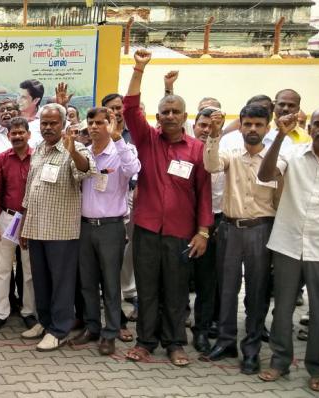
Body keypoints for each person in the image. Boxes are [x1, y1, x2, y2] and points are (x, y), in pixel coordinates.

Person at [122, 49, 213, 367]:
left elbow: (204, 193)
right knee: (147, 289)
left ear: (185, 117)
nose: (170, 116)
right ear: (157, 118)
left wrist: (203, 231)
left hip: (180, 234)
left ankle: (175, 343)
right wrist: (138, 69)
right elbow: (130, 108)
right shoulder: (147, 141)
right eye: (165, 112)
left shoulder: (197, 149)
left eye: (176, 112)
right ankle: (145, 341)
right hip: (146, 229)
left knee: (175, 292)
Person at [257, 107, 319, 392]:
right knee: (283, 308)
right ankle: (279, 362)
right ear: (309, 126)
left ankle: (317, 368)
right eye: (318, 123)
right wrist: (279, 134)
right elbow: (265, 175)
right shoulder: (293, 152)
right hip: (288, 244)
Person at [200, 104, 277, 375]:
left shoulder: (274, 157)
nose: (252, 129)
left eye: (258, 124)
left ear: (268, 127)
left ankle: (252, 349)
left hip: (261, 229)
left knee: (256, 291)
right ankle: (225, 341)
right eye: (248, 124)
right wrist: (214, 134)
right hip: (230, 228)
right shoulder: (230, 152)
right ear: (241, 125)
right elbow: (210, 166)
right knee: (227, 288)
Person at [22, 101, 95, 351]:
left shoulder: (77, 148)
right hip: (36, 227)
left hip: (61, 230)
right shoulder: (39, 148)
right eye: (44, 123)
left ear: (64, 125)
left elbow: (85, 171)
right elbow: (30, 186)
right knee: (41, 281)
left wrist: (72, 150)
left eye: (53, 123)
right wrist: (23, 222)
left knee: (61, 282)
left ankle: (60, 329)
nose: (48, 127)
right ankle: (44, 322)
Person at [75, 107, 140, 356]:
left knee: (111, 284)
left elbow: (133, 170)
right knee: (88, 282)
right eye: (91, 122)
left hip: (111, 227)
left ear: (110, 124)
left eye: (100, 123)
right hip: (85, 226)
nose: (94, 127)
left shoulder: (122, 151)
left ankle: (110, 332)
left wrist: (117, 139)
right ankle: (92, 327)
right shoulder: (84, 152)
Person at [0, 116, 38, 334]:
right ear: (8, 136)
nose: (17, 136)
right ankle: (0, 313)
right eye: (13, 133)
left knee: (29, 270)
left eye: (20, 133)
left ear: (28, 134)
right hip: (7, 219)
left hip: (32, 220)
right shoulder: (1, 159)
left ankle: (28, 312)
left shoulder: (38, 158)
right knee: (0, 268)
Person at [185, 107, 226, 355]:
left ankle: (201, 331)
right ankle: (176, 327)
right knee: (178, 279)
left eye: (211, 126)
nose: (205, 129)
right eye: (202, 124)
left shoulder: (224, 153)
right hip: (184, 221)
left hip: (214, 223)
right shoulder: (186, 150)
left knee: (206, 281)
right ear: (195, 125)